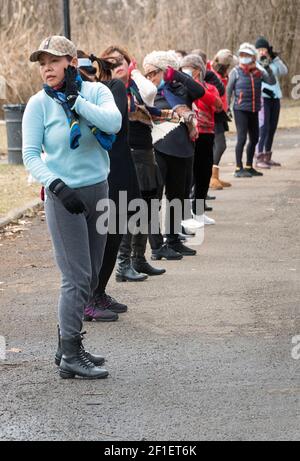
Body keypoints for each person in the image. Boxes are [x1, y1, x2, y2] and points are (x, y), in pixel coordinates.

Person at [22, 36, 122, 379]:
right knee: (75, 277)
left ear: (71, 62)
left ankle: (67, 347)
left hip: (98, 190)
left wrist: (77, 102)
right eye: (42, 63)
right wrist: (58, 186)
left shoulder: (96, 93)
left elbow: (113, 124)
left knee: (91, 275)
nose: (46, 68)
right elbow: (30, 155)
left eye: (53, 61)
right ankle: (70, 353)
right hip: (64, 197)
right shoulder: (38, 104)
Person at [101, 46, 169, 274]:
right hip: (125, 153)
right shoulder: (106, 89)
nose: (118, 64)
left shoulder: (135, 86)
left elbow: (150, 95)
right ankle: (123, 264)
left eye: (122, 60)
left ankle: (139, 258)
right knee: (130, 208)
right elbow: (129, 111)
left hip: (145, 149)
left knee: (149, 206)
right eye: (111, 62)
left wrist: (135, 73)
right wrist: (142, 112)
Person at [143, 50, 217, 257]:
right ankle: (157, 246)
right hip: (158, 148)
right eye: (146, 74)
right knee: (154, 198)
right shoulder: (147, 92)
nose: (150, 78)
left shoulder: (181, 88)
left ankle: (174, 240)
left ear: (165, 70)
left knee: (179, 196)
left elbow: (200, 93)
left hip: (183, 148)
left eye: (154, 73)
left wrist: (175, 75)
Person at [180, 54, 223, 225]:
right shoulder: (180, 88)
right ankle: (184, 216)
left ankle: (199, 212)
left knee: (203, 173)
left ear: (198, 70)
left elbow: (219, 105)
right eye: (183, 68)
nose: (185, 71)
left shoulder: (209, 88)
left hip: (206, 134)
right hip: (188, 134)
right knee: (187, 175)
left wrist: (196, 86)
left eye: (189, 67)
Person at [227, 43, 276, 178]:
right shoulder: (235, 72)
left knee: (254, 138)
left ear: (253, 57)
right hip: (240, 109)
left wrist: (266, 67)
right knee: (242, 138)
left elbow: (271, 82)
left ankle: (249, 166)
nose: (244, 58)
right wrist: (227, 107)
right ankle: (238, 168)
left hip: (254, 109)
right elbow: (229, 90)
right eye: (242, 55)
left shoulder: (258, 72)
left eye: (247, 55)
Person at [255, 37, 288, 168]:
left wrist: (275, 59)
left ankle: (267, 156)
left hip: (275, 97)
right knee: (263, 127)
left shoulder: (272, 62)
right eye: (260, 49)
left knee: (272, 127)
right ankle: (259, 157)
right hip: (263, 98)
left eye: (264, 49)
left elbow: (284, 71)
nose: (262, 52)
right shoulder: (255, 64)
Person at [208, 49, 237, 189]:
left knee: (216, 146)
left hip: (220, 114)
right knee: (220, 145)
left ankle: (215, 176)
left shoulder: (221, 75)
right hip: (214, 114)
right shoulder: (212, 76)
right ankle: (211, 177)